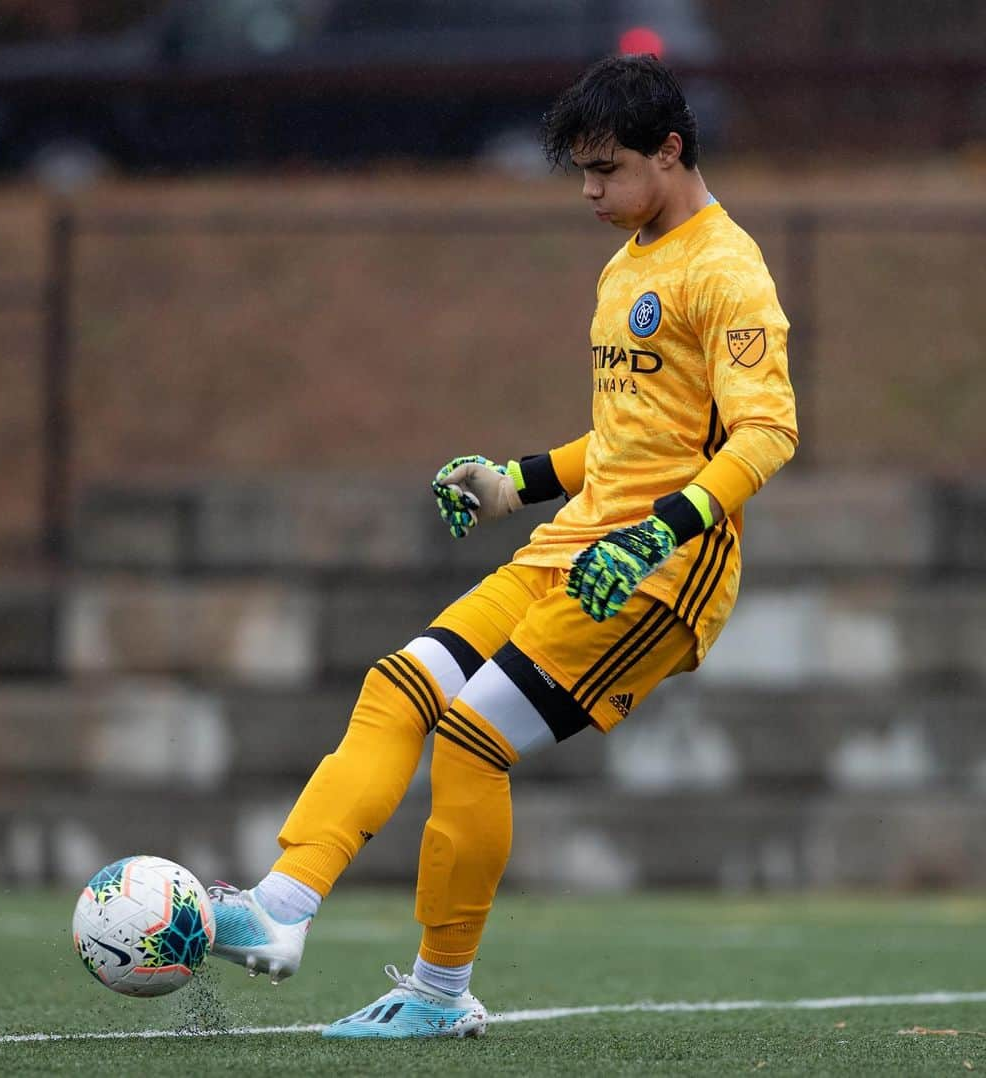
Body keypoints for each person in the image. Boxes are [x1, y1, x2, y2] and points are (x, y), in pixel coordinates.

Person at [207, 53, 798, 1039]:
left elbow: (767, 435)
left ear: (671, 150)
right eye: (580, 171)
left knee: (473, 736)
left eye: (606, 168)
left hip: (660, 570)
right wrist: (511, 483)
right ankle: (281, 906)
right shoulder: (627, 265)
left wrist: (656, 534)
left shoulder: (726, 269)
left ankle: (440, 990)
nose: (589, 190)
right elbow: (628, 440)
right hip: (572, 543)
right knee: (398, 684)